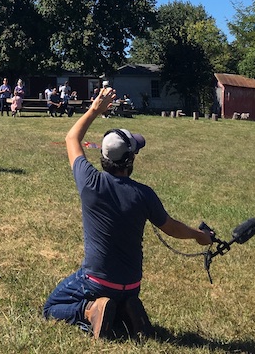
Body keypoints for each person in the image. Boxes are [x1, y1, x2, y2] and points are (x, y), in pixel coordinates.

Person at [43, 86, 212, 340]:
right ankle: (126, 309)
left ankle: (90, 309)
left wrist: (95, 110)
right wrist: (199, 235)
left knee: (50, 308)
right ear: (130, 160)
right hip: (132, 283)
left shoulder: (90, 183)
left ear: (102, 156)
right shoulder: (144, 194)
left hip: (97, 281)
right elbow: (172, 227)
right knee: (120, 298)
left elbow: (71, 139)